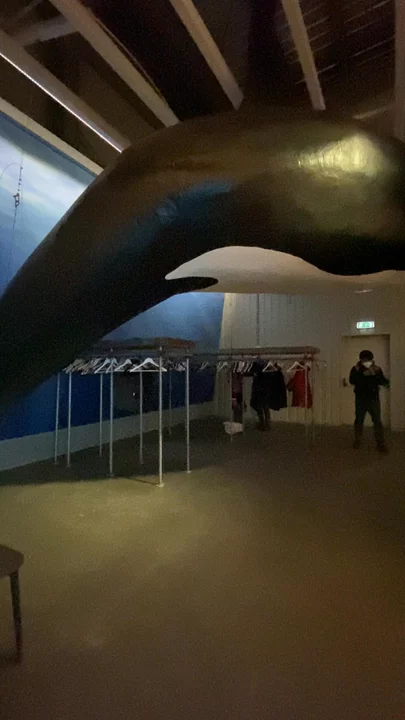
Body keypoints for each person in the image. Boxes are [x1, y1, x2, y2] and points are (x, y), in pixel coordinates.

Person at [349, 350, 389, 452]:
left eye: (368, 360)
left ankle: (380, 443)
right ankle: (357, 441)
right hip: (360, 399)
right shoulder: (356, 369)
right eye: (364, 360)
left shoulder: (376, 369)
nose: (366, 362)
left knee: (377, 421)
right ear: (361, 360)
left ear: (371, 359)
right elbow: (352, 381)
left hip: (373, 399)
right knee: (359, 420)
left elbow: (383, 382)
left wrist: (375, 374)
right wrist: (362, 375)